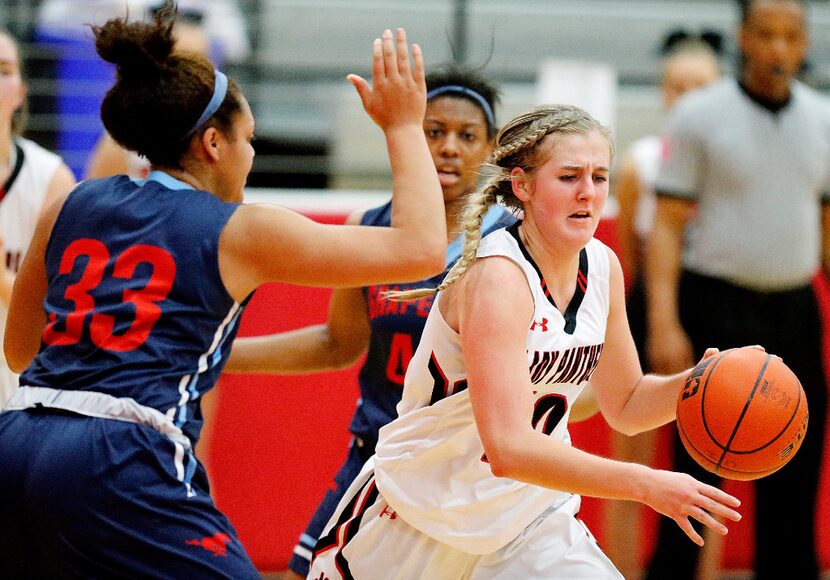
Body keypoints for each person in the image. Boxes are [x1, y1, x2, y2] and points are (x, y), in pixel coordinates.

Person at [0, 3, 447, 576]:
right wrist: (405, 127)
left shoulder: (73, 202)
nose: (253, 155)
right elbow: (420, 250)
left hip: (17, 438)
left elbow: (21, 351)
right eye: (250, 140)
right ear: (214, 143)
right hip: (118, 458)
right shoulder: (241, 229)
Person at [308, 103, 743, 580]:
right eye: (569, 177)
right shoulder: (498, 279)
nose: (588, 193)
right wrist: (644, 483)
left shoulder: (603, 267)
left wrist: (705, 385)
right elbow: (510, 448)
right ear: (523, 185)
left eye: (599, 177)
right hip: (419, 514)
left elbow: (627, 404)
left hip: (527, 519)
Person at [225, 65, 513, 579]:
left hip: (468, 465)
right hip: (379, 453)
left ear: (490, 149)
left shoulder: (512, 242)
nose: (448, 147)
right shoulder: (371, 227)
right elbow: (338, 344)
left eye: (466, 136)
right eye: (433, 131)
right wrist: (224, 355)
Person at [645, 1, 828, 579]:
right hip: (715, 308)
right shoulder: (699, 115)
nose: (778, 48)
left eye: (790, 36)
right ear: (744, 38)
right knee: (691, 486)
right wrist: (664, 322)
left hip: (795, 311)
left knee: (795, 483)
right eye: (766, 34)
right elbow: (668, 226)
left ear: (804, 43)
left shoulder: (823, 117)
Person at [607, 32, 721, 579]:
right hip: (648, 305)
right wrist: (653, 314)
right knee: (628, 465)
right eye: (677, 87)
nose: (686, 98)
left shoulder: (727, 164)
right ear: (663, 93)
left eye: (699, 88)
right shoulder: (642, 162)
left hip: (715, 306)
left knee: (714, 464)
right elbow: (631, 252)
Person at [0, 29, 76, 408]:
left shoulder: (51, 178)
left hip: (22, 390)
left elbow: (63, 311)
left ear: (21, 91)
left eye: (4, 69)